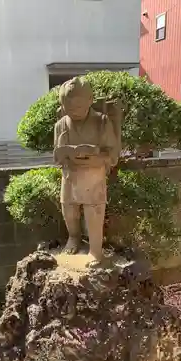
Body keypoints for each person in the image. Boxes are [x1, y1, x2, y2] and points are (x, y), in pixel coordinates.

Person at [54, 77, 120, 263]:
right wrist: (63, 151)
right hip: (70, 174)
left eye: (79, 108)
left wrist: (96, 156)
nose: (74, 113)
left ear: (90, 100)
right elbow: (57, 157)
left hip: (94, 175)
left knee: (94, 211)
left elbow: (113, 154)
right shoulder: (60, 125)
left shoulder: (102, 122)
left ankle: (95, 249)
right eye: (69, 109)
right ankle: (73, 237)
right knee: (69, 209)